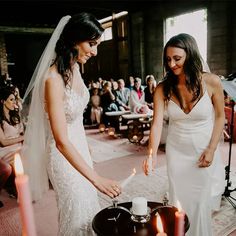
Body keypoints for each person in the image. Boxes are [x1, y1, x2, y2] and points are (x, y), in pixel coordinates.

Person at [22, 13, 121, 235]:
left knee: (89, 212)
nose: (95, 52)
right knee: (76, 214)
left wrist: (87, 152)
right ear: (74, 39)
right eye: (91, 44)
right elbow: (61, 140)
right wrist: (97, 179)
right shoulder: (53, 79)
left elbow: (74, 121)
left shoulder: (75, 68)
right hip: (63, 156)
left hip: (80, 150)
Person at [143, 33, 225, 236]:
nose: (171, 64)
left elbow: (220, 117)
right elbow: (156, 125)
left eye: (177, 58)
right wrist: (151, 154)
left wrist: (212, 149)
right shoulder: (163, 88)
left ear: (191, 55)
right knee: (178, 201)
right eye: (168, 59)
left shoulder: (212, 82)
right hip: (176, 153)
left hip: (203, 151)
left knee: (199, 202)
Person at [0, 86, 24, 205]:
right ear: (3, 101)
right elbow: (3, 142)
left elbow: (21, 132)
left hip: (19, 146)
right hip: (5, 150)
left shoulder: (15, 116)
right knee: (24, 153)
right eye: (11, 100)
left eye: (14, 99)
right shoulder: (0, 119)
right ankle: (16, 189)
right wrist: (22, 138)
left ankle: (22, 188)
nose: (14, 102)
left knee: (33, 150)